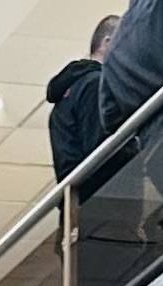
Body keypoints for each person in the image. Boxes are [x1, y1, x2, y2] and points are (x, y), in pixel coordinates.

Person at [48, 15, 119, 173]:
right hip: (101, 182)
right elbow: (99, 145)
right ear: (107, 42)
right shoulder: (95, 83)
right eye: (125, 41)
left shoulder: (67, 92)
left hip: (81, 182)